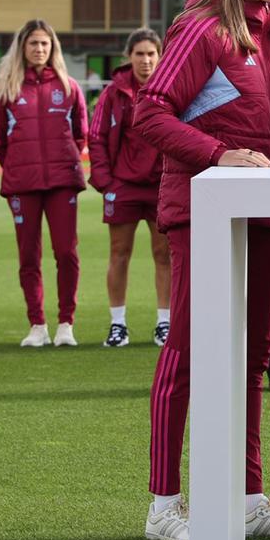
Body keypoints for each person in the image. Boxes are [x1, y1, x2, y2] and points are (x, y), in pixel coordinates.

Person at [134, 0, 270, 540]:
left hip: (267, 217)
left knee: (251, 359)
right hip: (202, 215)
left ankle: (246, 498)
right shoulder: (203, 29)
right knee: (187, 353)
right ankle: (164, 506)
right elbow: (149, 113)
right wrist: (218, 156)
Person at [0, 19, 87, 348]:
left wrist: (64, 159)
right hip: (23, 184)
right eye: (33, 44)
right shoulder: (7, 89)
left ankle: (65, 324)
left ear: (53, 47)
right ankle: (37, 325)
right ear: (23, 48)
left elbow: (80, 134)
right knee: (28, 256)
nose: (39, 49)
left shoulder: (69, 87)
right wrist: (19, 167)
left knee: (66, 252)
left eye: (45, 43)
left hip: (62, 181)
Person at [88, 28, 171, 349]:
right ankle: (117, 324)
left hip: (161, 184)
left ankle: (164, 324)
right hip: (123, 186)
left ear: (160, 56)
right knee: (119, 254)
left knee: (163, 255)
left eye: (151, 53)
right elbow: (95, 137)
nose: (146, 60)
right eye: (140, 54)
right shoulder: (114, 93)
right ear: (129, 57)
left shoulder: (169, 89)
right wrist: (106, 183)